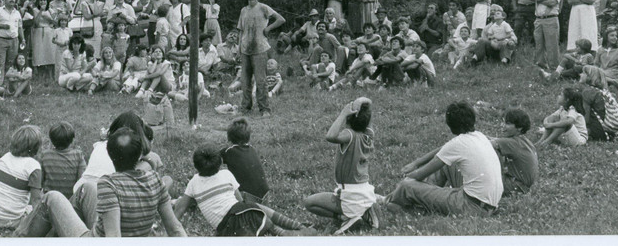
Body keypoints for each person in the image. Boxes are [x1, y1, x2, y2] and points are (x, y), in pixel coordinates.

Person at [25, 125, 186, 238]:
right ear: (139, 156)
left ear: (110, 155)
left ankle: (17, 238)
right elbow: (176, 228)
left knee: (52, 197)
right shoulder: (155, 179)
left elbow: (114, 236)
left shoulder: (109, 183)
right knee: (86, 188)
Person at [387, 101, 502, 216]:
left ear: (450, 124)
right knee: (447, 163)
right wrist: (416, 163)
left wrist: (406, 179)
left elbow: (419, 175)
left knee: (407, 186)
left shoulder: (457, 144)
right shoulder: (479, 136)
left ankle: (390, 200)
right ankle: (425, 198)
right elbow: (444, 149)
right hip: (490, 205)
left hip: (470, 207)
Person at [175, 144, 309, 236]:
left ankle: (288, 231)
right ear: (220, 162)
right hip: (248, 218)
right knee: (260, 214)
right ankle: (292, 228)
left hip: (227, 230)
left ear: (196, 165)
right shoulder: (226, 174)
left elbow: (180, 210)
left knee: (252, 215)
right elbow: (240, 201)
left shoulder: (193, 183)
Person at [304, 97, 378, 233]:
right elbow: (369, 106)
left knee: (309, 202)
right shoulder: (369, 134)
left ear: (348, 119)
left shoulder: (349, 135)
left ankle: (344, 216)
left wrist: (343, 113)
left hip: (350, 195)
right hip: (365, 192)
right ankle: (363, 211)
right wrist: (363, 104)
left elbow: (330, 136)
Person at [0, 125, 44, 233]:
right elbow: (36, 200)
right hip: (11, 221)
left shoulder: (5, 157)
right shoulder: (33, 166)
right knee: (34, 206)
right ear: (36, 147)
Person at [236, 0, 285, 117]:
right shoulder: (243, 10)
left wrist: (268, 29)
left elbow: (281, 19)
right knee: (245, 80)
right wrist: (239, 48)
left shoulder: (263, 7)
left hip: (260, 49)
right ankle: (245, 107)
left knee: (260, 80)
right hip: (246, 49)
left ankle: (264, 109)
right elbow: (241, 30)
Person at [490, 108, 538, 196]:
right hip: (523, 186)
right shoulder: (523, 141)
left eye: (507, 123)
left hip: (516, 187)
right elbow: (494, 139)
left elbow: (484, 143)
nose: (502, 125)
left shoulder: (512, 143)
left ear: (519, 127)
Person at [221, 117, 269, 204]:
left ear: (229, 137)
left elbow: (211, 158)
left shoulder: (229, 151)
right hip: (265, 195)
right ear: (248, 136)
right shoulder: (252, 149)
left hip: (247, 197)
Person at [40, 122, 87, 200]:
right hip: (71, 202)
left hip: (50, 200)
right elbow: (81, 181)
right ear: (72, 140)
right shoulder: (78, 155)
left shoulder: (44, 155)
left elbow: (40, 182)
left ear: (51, 139)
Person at [578, 65, 618, 142]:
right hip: (612, 127)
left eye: (583, 73)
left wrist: (583, 129)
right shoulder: (601, 90)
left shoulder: (587, 92)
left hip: (600, 130)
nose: (580, 74)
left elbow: (586, 115)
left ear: (590, 76)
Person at [531, 0, 562, 71]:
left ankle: (554, 68)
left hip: (550, 19)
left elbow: (553, 3)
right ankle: (541, 66)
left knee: (551, 45)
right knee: (539, 44)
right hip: (538, 19)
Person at [0, 0, 24, 72]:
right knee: (0, 62)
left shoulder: (17, 12)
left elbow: (20, 27)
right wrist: (3, 26)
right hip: (1, 40)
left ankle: (9, 83)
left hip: (14, 41)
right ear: (5, 0)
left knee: (11, 63)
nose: (12, 0)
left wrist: (23, 39)